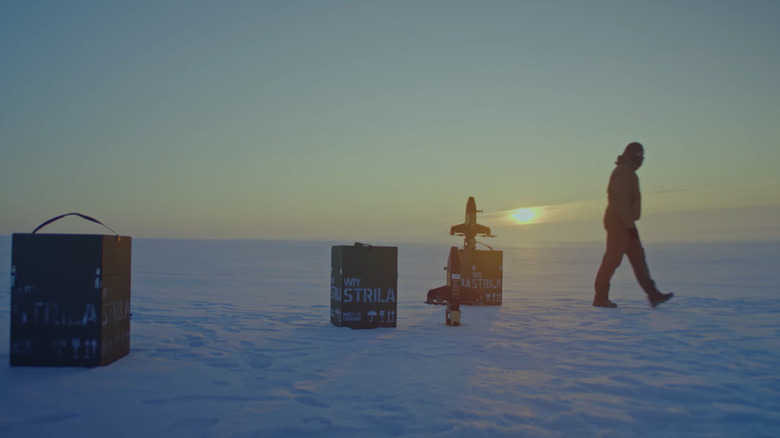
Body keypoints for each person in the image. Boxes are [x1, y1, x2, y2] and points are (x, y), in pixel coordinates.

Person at [593, 142, 673, 308]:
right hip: (619, 222)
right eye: (638, 155)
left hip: (625, 222)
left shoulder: (628, 172)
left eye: (642, 155)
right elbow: (620, 202)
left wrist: (630, 225)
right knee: (612, 259)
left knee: (638, 259)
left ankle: (653, 294)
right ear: (631, 155)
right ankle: (600, 297)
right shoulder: (622, 172)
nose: (641, 159)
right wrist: (629, 227)